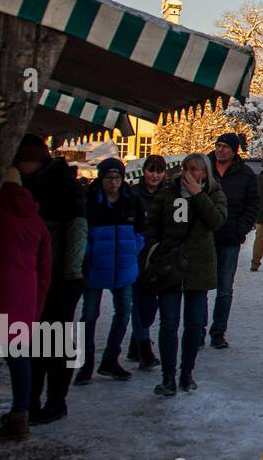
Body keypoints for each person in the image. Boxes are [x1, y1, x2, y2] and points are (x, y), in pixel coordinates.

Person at [14, 134, 86, 425]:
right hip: (40, 273)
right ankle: (30, 402)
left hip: (59, 276)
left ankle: (55, 402)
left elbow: (77, 230)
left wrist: (71, 275)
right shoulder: (39, 180)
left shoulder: (59, 184)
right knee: (35, 342)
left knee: (55, 343)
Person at [0, 168, 52, 446]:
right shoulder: (36, 221)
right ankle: (20, 418)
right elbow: (45, 271)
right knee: (19, 359)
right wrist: (36, 307)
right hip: (24, 297)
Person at [150, 153, 228, 395]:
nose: (189, 173)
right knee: (169, 324)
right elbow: (153, 224)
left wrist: (198, 195)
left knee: (194, 326)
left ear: (205, 173)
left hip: (198, 266)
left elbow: (216, 220)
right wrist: (156, 252)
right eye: (186, 168)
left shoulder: (214, 193)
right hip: (170, 266)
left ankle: (187, 372)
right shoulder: (169, 192)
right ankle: (168, 377)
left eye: (195, 169)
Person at [76, 158, 144, 384]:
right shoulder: (89, 201)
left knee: (124, 313)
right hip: (95, 266)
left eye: (117, 178)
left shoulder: (131, 201)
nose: (113, 182)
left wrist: (133, 248)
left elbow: (141, 231)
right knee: (89, 316)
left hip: (124, 266)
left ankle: (110, 360)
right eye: (109, 178)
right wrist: (88, 254)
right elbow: (82, 232)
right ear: (101, 178)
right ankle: (85, 364)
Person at [207, 132, 258, 348]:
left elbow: (253, 204)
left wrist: (241, 229)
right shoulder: (204, 168)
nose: (220, 150)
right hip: (204, 238)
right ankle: (196, 329)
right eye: (218, 145)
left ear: (234, 150)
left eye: (225, 147)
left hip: (230, 237)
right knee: (198, 287)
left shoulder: (245, 174)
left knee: (225, 288)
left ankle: (218, 331)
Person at [126, 154, 167, 370]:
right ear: (144, 171)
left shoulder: (169, 195)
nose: (155, 175)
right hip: (136, 256)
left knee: (150, 306)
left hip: (158, 258)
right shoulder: (132, 194)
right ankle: (144, 348)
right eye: (151, 170)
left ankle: (136, 342)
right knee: (140, 304)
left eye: (159, 171)